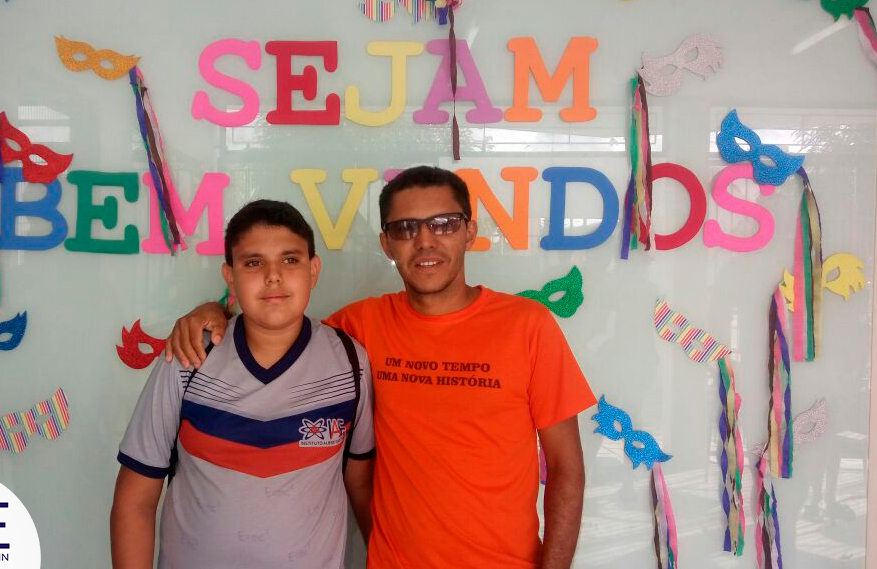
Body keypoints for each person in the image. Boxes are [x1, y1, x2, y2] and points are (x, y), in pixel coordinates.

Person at [166, 166, 596, 569]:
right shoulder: (358, 329)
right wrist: (213, 311)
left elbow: (566, 468)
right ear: (387, 244)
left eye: (444, 224)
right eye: (405, 228)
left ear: (470, 231)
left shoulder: (527, 326)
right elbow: (275, 324)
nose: (425, 242)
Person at [110, 200, 375, 569]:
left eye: (290, 259)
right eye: (253, 263)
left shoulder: (349, 362)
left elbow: (361, 486)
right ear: (230, 276)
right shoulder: (189, 358)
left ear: (313, 270)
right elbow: (135, 499)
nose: (273, 276)